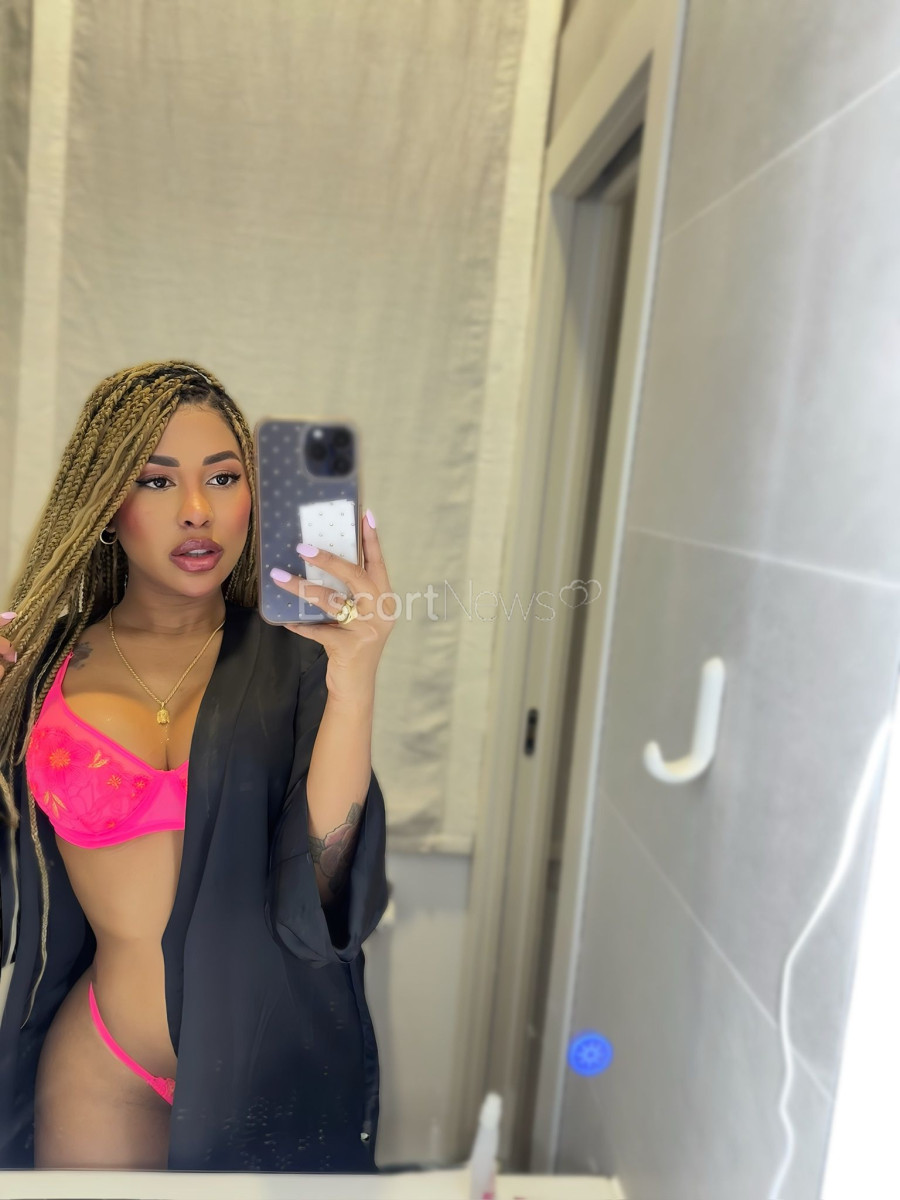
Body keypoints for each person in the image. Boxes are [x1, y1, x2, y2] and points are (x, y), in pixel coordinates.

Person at [0, 360, 393, 1172]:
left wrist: (355, 680)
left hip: (268, 1069)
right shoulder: (37, 669)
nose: (196, 510)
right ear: (105, 504)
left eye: (223, 477)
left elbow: (325, 886)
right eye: (155, 480)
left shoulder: (297, 663)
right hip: (102, 1061)